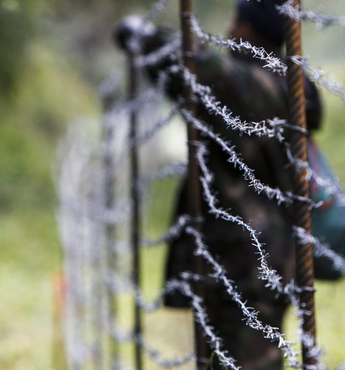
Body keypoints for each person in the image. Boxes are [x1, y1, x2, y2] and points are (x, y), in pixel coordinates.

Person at [116, 1, 321, 369]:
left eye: (237, 21)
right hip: (247, 258)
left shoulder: (251, 85)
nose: (229, 29)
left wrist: (143, 36)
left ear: (248, 29)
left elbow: (193, 64)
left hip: (246, 262)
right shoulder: (283, 85)